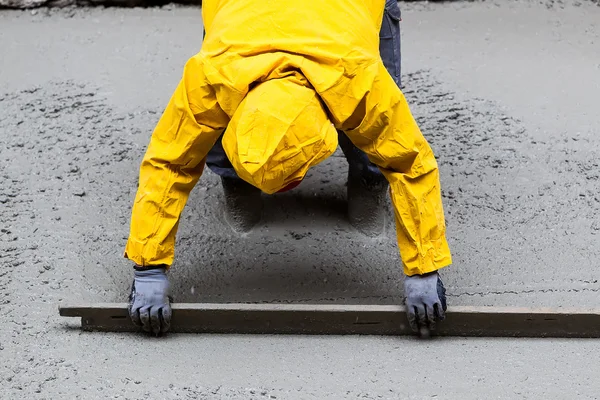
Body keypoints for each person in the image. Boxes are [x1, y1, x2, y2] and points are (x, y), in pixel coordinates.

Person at [125, 0, 453, 337]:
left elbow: (408, 161)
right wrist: (149, 266)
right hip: (240, 17)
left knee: (378, 139)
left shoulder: (359, 79)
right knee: (206, 131)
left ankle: (367, 183)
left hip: (346, 20)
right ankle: (238, 184)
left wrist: (424, 267)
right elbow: (170, 159)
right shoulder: (214, 73)